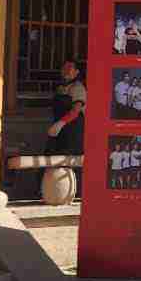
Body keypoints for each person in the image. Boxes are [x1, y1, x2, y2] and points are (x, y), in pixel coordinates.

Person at [44, 59, 87, 197]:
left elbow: (76, 110)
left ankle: (72, 194)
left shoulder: (78, 88)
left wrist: (61, 124)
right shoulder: (61, 88)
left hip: (73, 131)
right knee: (52, 159)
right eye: (64, 68)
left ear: (76, 72)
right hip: (59, 132)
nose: (66, 71)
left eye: (70, 68)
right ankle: (52, 192)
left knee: (70, 162)